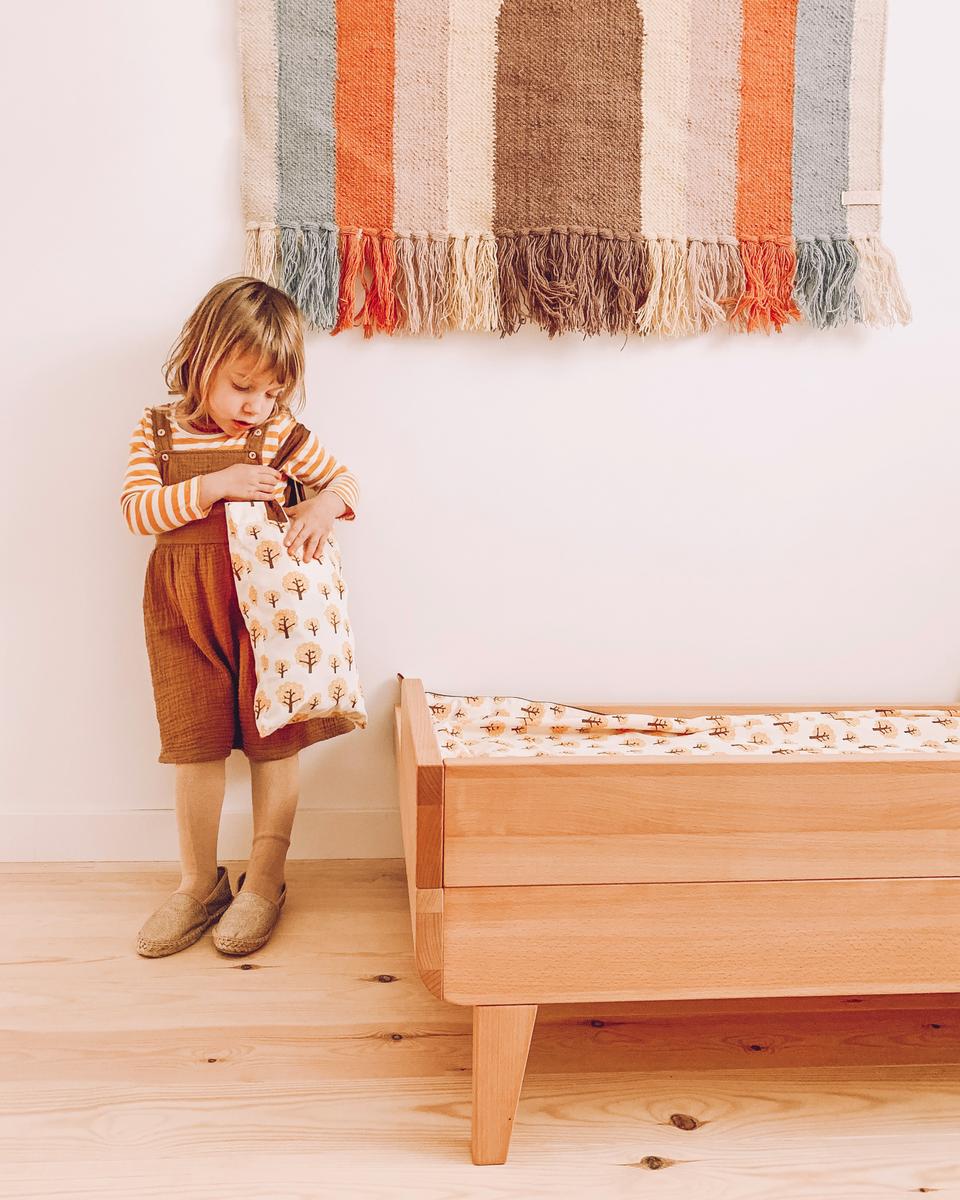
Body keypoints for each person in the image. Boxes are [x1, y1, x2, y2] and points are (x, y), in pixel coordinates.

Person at [121, 276, 359, 958]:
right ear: (201, 359)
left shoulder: (278, 434)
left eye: (271, 393)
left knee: (272, 741)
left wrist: (322, 506)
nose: (255, 406)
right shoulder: (157, 430)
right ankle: (199, 883)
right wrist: (215, 486)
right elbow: (137, 511)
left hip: (267, 614)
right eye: (242, 386)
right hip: (183, 608)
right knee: (192, 743)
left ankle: (266, 879)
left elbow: (345, 481)